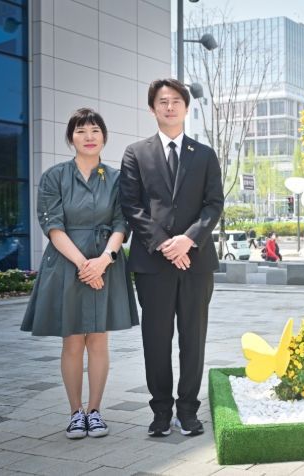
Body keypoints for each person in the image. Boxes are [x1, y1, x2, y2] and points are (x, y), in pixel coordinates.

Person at [21, 108, 139, 439]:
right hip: (65, 264)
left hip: (106, 263)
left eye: (95, 130)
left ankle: (95, 411)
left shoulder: (117, 178)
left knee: (99, 338)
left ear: (104, 137)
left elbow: (122, 223)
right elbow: (52, 225)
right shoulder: (54, 176)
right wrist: (83, 264)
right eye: (81, 131)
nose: (89, 137)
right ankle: (75, 413)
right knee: (72, 339)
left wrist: (103, 260)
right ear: (70, 137)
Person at [120, 78, 224, 437]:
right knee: (156, 340)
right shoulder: (136, 153)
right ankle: (161, 412)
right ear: (152, 108)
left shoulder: (204, 154)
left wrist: (188, 240)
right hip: (153, 264)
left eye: (176, 101)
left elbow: (214, 204)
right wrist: (167, 244)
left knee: (193, 339)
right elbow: (131, 206)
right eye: (162, 102)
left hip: (197, 263)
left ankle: (188, 410)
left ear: (186, 107)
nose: (169, 107)